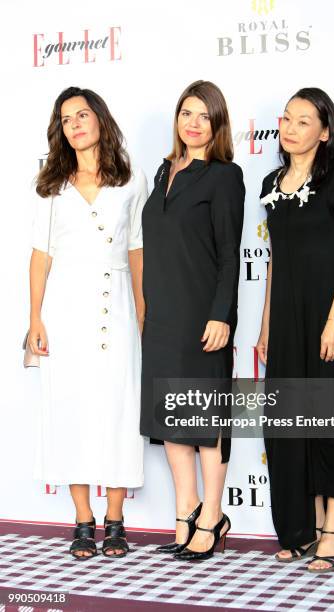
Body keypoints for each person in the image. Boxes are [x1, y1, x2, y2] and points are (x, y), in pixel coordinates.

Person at [28, 86, 147, 560]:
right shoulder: (50, 185)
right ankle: (82, 519)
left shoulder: (131, 179)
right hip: (65, 305)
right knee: (71, 407)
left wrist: (142, 309)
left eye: (82, 114)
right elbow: (40, 255)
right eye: (66, 119)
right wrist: (34, 317)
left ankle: (115, 519)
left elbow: (137, 249)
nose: (75, 124)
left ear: (100, 119)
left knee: (119, 406)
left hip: (115, 302)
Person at [256, 87, 334, 573]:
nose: (291, 128)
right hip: (286, 321)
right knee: (287, 426)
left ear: (325, 131)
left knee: (329, 421)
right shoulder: (271, 183)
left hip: (327, 315)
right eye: (287, 119)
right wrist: (265, 328)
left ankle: (333, 530)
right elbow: (274, 262)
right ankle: (304, 528)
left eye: (303, 121)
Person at [140, 80, 245, 561]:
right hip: (163, 316)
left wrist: (222, 316)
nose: (194, 123)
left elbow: (229, 257)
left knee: (205, 421)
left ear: (218, 123)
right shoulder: (162, 172)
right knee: (174, 422)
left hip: (204, 316)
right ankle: (186, 512)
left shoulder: (225, 176)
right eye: (187, 112)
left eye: (205, 115)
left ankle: (213, 516)